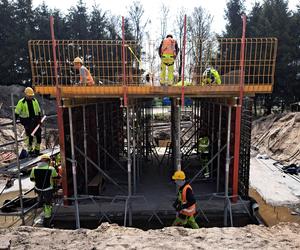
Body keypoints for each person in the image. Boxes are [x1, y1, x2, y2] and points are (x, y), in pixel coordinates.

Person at [30, 154, 58, 226]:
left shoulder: (34, 168)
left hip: (38, 189)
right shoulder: (51, 169)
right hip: (48, 189)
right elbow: (56, 177)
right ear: (48, 161)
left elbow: (32, 179)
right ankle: (47, 219)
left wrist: (39, 180)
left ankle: (44, 212)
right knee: (48, 203)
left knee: (42, 201)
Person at [15, 87, 42, 157]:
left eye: (31, 95)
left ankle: (37, 151)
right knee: (30, 136)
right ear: (26, 94)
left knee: (39, 135)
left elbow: (38, 111)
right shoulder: (21, 102)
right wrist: (14, 120)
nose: (31, 97)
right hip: (26, 120)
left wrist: (39, 120)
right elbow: (17, 112)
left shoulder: (34, 101)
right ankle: (30, 151)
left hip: (35, 119)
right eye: (29, 96)